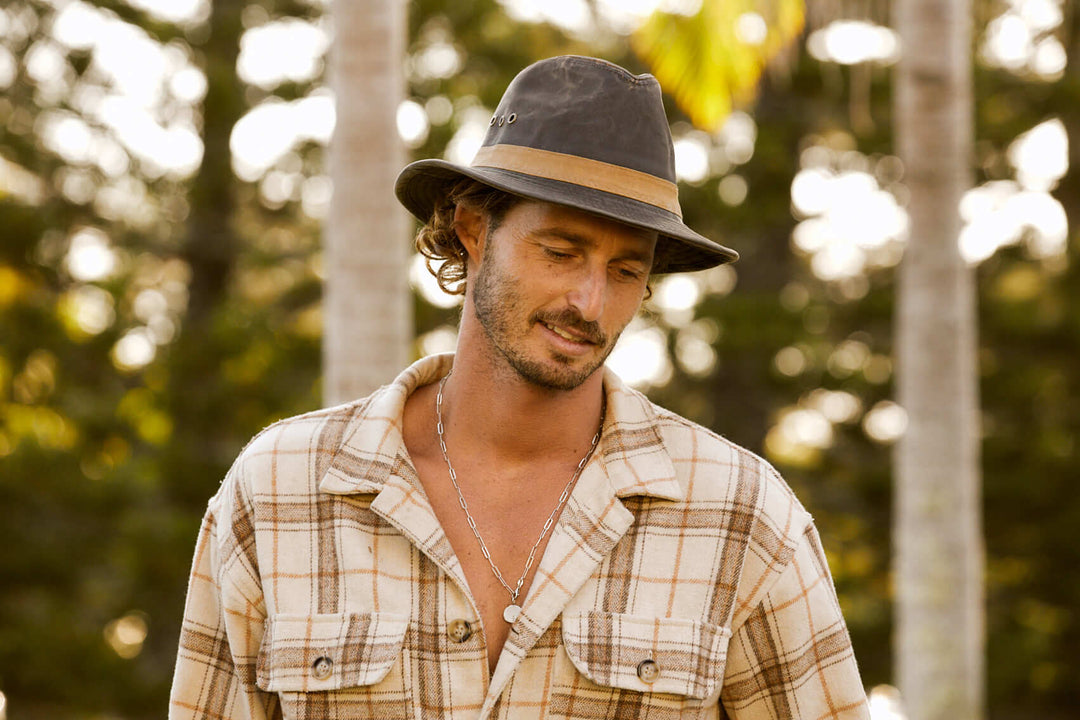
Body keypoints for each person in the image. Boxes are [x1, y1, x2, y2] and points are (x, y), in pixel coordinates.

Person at [170, 55, 869, 719]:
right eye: (560, 253)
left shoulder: (741, 515)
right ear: (474, 231)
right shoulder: (281, 489)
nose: (590, 303)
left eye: (626, 271)